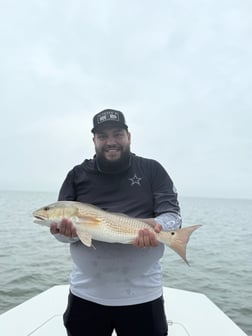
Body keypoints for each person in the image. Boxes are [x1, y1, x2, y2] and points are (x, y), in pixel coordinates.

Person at [50, 109, 182, 336]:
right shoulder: (77, 174)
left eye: (117, 134)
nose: (111, 142)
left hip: (143, 296)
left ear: (129, 136)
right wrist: (64, 233)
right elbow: (63, 236)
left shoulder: (152, 170)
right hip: (86, 294)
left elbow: (173, 217)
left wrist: (155, 228)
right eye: (102, 136)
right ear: (94, 141)